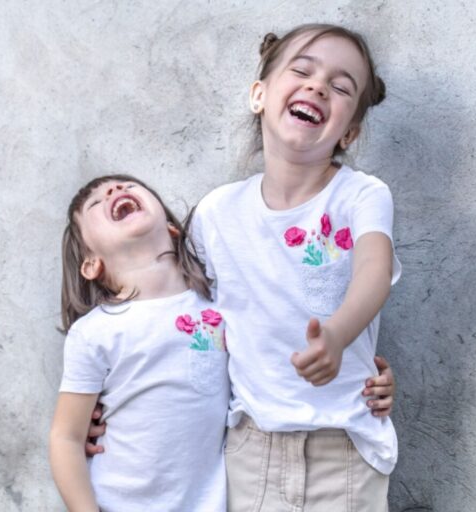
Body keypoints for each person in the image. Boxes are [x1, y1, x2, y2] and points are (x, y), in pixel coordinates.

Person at [187, 24, 402, 510]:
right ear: (259, 95)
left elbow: (374, 271)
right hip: (251, 448)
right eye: (302, 70)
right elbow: (187, 317)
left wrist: (338, 337)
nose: (318, 86)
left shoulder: (362, 195)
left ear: (349, 132)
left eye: (341, 86)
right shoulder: (216, 213)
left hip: (343, 447)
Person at [49, 175, 230, 511]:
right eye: (95, 203)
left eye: (127, 186)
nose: (115, 190)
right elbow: (66, 437)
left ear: (172, 228)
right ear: (91, 263)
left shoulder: (221, 305)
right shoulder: (95, 333)